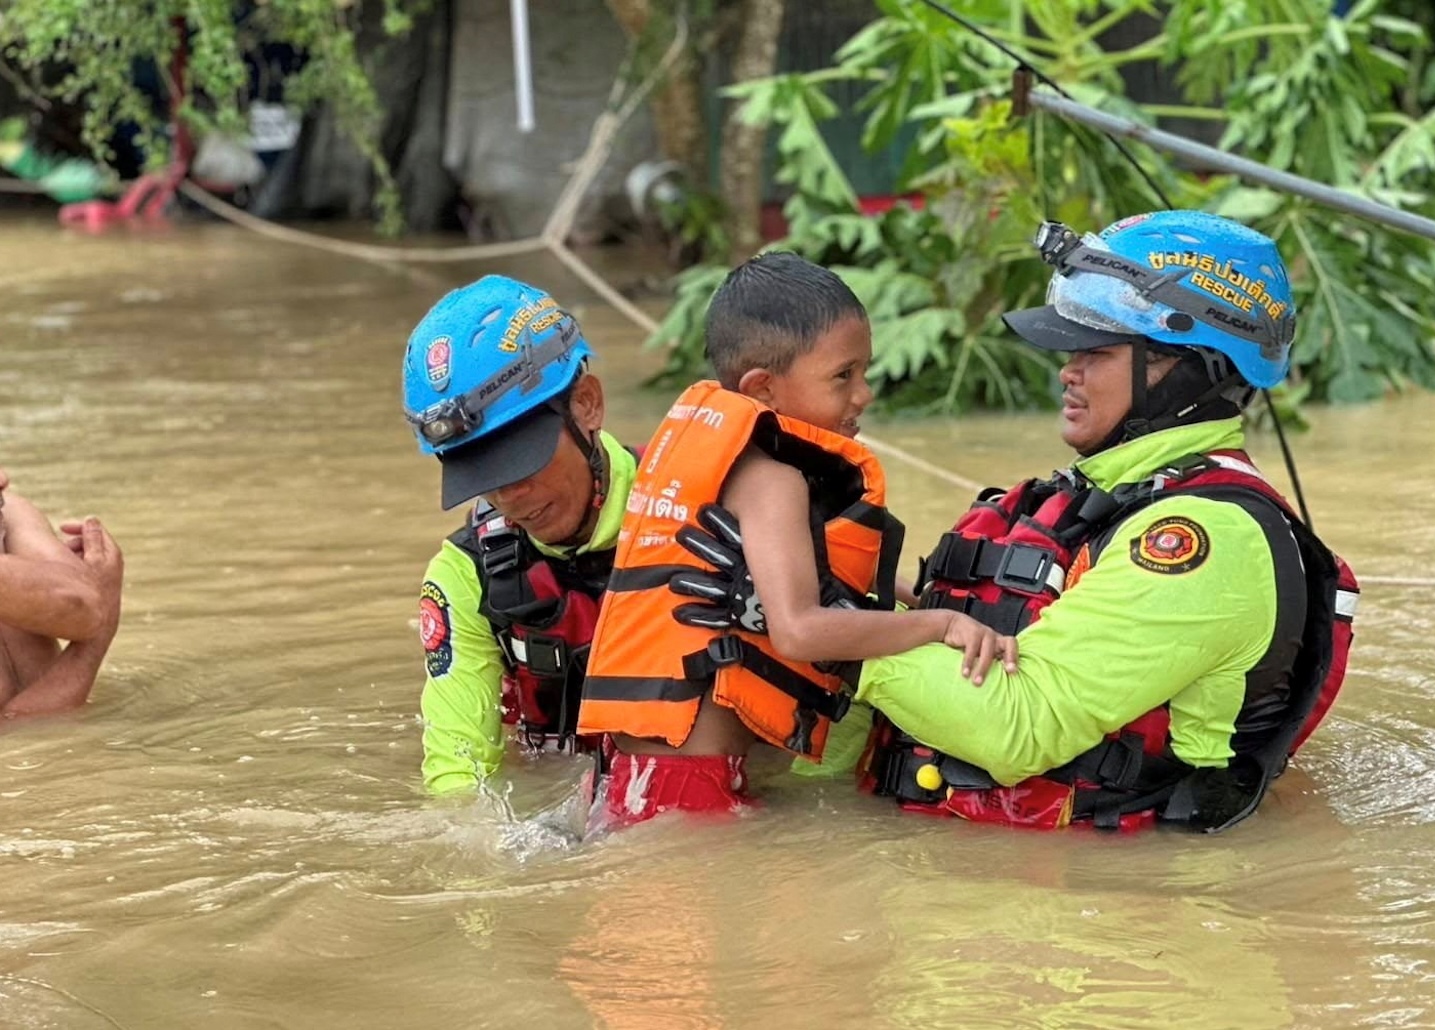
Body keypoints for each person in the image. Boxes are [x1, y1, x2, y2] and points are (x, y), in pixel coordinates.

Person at [845, 210, 1361, 832]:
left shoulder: (1207, 540)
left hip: (1113, 906)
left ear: (1186, 365)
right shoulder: (1110, 497)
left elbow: (1019, 727)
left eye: (1097, 351)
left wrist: (818, 626)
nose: (1068, 370)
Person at [577, 251, 1012, 828]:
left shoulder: (723, 466)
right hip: (690, 787)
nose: (864, 395)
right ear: (765, 389)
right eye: (843, 376)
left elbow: (771, 581)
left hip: (627, 775)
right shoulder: (773, 481)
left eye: (863, 372)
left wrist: (906, 595)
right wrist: (943, 625)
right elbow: (800, 630)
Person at [402, 275, 638, 794]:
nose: (508, 496)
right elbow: (457, 769)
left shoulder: (697, 514)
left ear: (587, 405)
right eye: (483, 475)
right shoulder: (467, 574)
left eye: (521, 461)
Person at [0, 469, 124, 717]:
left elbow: (84, 607)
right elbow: (22, 727)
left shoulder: (10, 513)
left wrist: (101, 601)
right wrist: (96, 642)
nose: (3, 478)